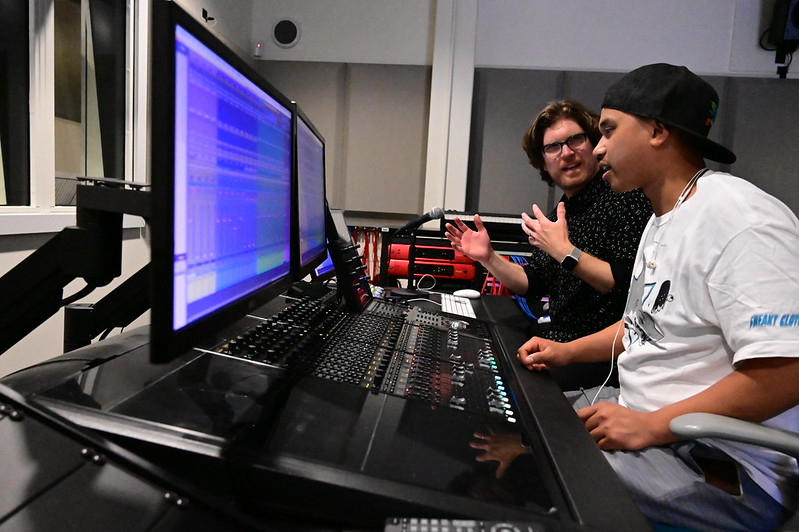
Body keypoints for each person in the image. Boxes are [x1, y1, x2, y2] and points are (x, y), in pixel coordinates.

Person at [517, 63, 799, 531]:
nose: (598, 147)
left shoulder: (742, 219)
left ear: (657, 130)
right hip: (656, 425)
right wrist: (565, 352)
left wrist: (654, 425)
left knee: (533, 481)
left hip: (717, 461)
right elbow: (640, 328)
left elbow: (788, 372)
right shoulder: (662, 219)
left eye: (607, 131)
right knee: (524, 426)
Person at [445, 100, 651, 389]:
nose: (566, 153)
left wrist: (564, 251)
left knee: (500, 388)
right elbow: (533, 282)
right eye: (553, 147)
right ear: (543, 162)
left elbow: (621, 284)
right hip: (560, 344)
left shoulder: (625, 197)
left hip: (602, 359)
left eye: (575, 140)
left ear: (594, 144)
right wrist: (488, 257)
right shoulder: (561, 212)